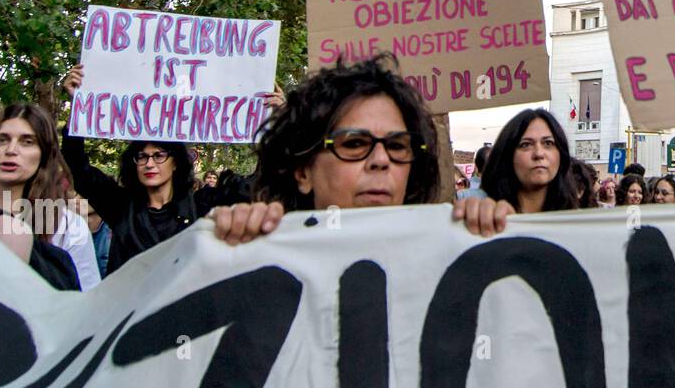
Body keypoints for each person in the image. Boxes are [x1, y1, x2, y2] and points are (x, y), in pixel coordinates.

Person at [60, 64, 277, 264]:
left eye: (159, 155)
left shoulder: (201, 206)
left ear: (176, 163)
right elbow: (78, 169)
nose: (149, 164)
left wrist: (278, 123)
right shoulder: (121, 206)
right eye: (142, 157)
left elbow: (257, 185)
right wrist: (78, 106)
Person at [250, 55, 440, 215]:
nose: (381, 160)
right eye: (354, 144)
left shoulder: (450, 248)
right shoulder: (250, 251)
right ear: (303, 172)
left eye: (397, 146)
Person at [0, 103, 100, 289]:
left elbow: (86, 302)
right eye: (2, 139)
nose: (11, 150)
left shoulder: (68, 226)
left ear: (44, 154)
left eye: (27, 142)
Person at [454, 108, 579, 236]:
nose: (539, 154)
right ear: (507, 155)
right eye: (526, 145)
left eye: (548, 143)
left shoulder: (579, 221)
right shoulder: (478, 208)